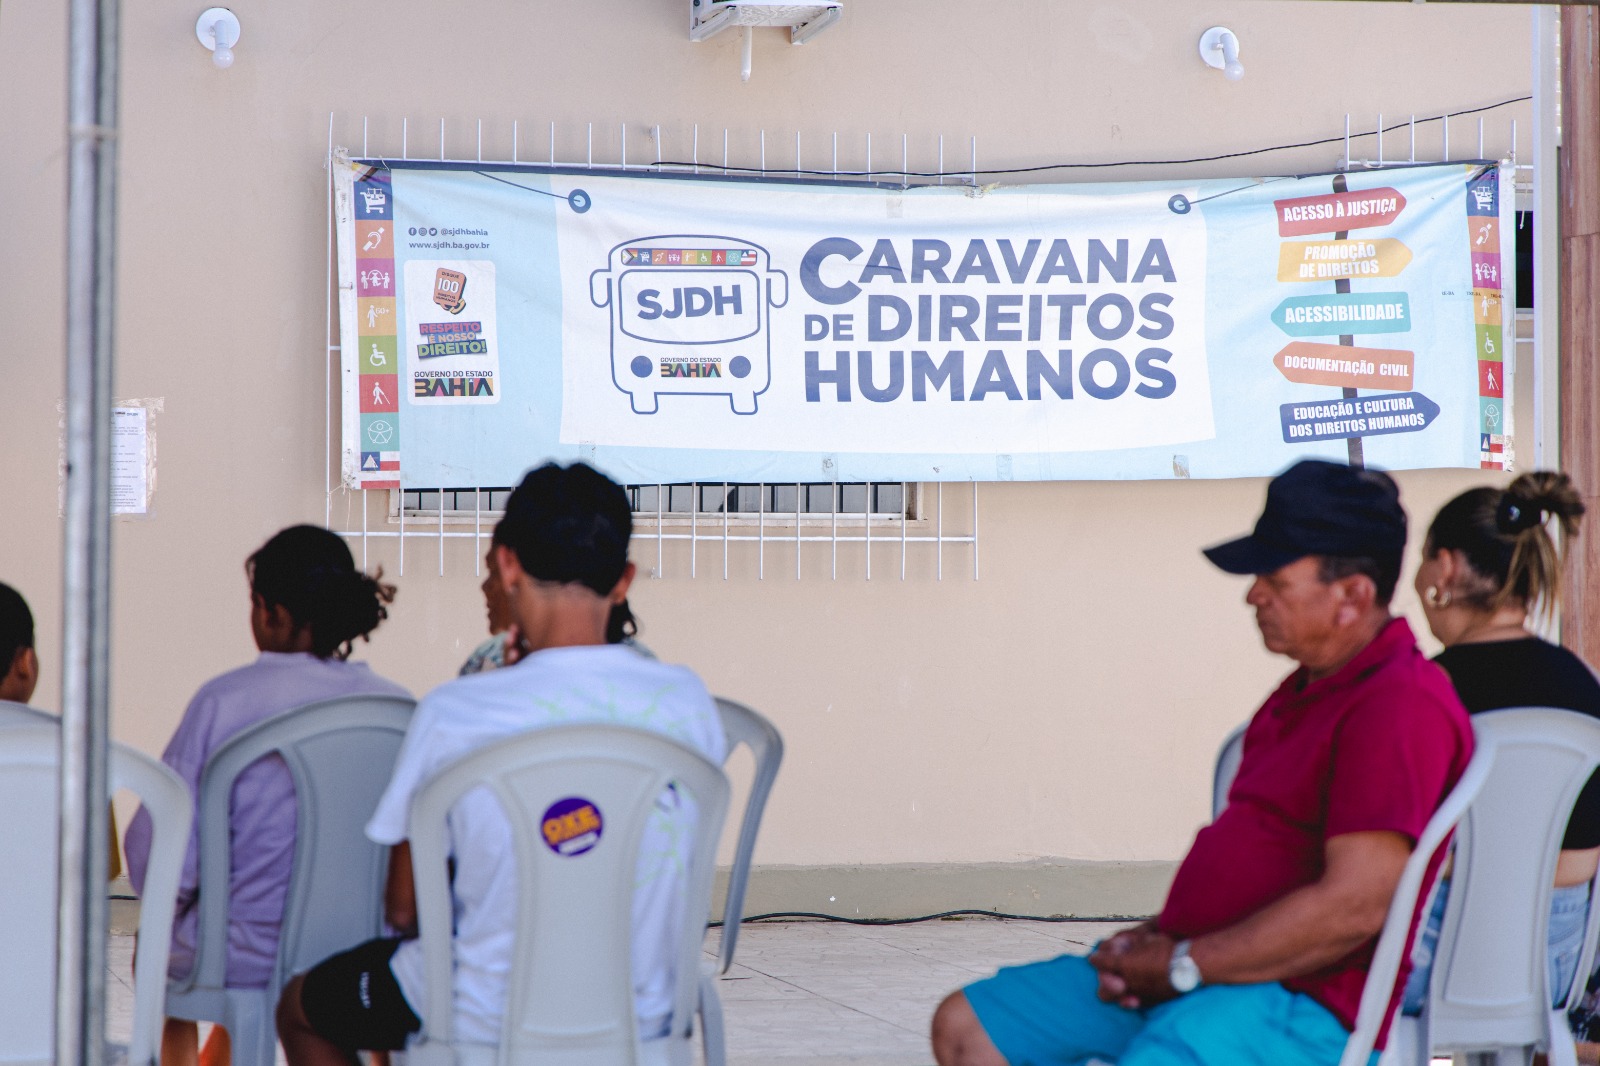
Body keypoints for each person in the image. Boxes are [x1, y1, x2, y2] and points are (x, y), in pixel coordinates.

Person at [931, 460, 1474, 1066]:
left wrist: (1182, 964)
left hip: (1299, 1006)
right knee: (968, 1028)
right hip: (1207, 967)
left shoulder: (1399, 703)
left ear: (1352, 595)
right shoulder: (1306, 688)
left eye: (1274, 578)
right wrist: (1157, 941)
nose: (1253, 594)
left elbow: (1355, 905)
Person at [276, 462, 725, 1065]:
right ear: (624, 581)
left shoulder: (456, 712)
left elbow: (404, 910)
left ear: (507, 564)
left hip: (476, 1018)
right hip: (639, 1017)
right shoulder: (686, 703)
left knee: (300, 1007)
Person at [123, 525, 408, 1066]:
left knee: (155, 943)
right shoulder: (396, 708)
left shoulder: (222, 702)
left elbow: (157, 857)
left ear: (271, 613)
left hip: (236, 957)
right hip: (360, 949)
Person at [1400, 472, 1600, 1038]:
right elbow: (1583, 858)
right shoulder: (1584, 685)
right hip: (1554, 968)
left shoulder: (1421, 692)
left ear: (1444, 568)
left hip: (1433, 965)